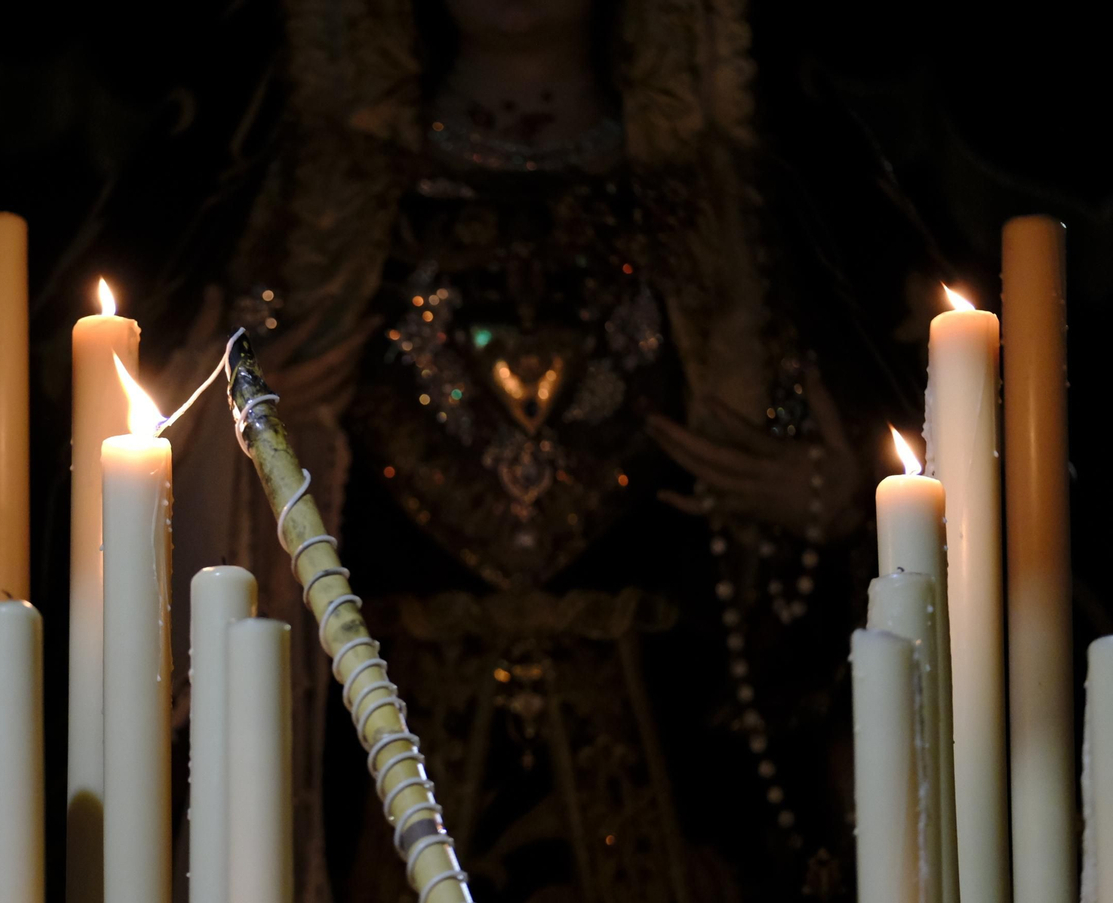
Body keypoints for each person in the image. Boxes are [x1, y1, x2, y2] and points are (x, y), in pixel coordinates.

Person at [159, 0, 893, 899]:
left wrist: (833, 499)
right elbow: (169, 458)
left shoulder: (739, 213)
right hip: (382, 750)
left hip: (666, 771)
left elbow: (857, 512)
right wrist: (251, 427)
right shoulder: (308, 209)